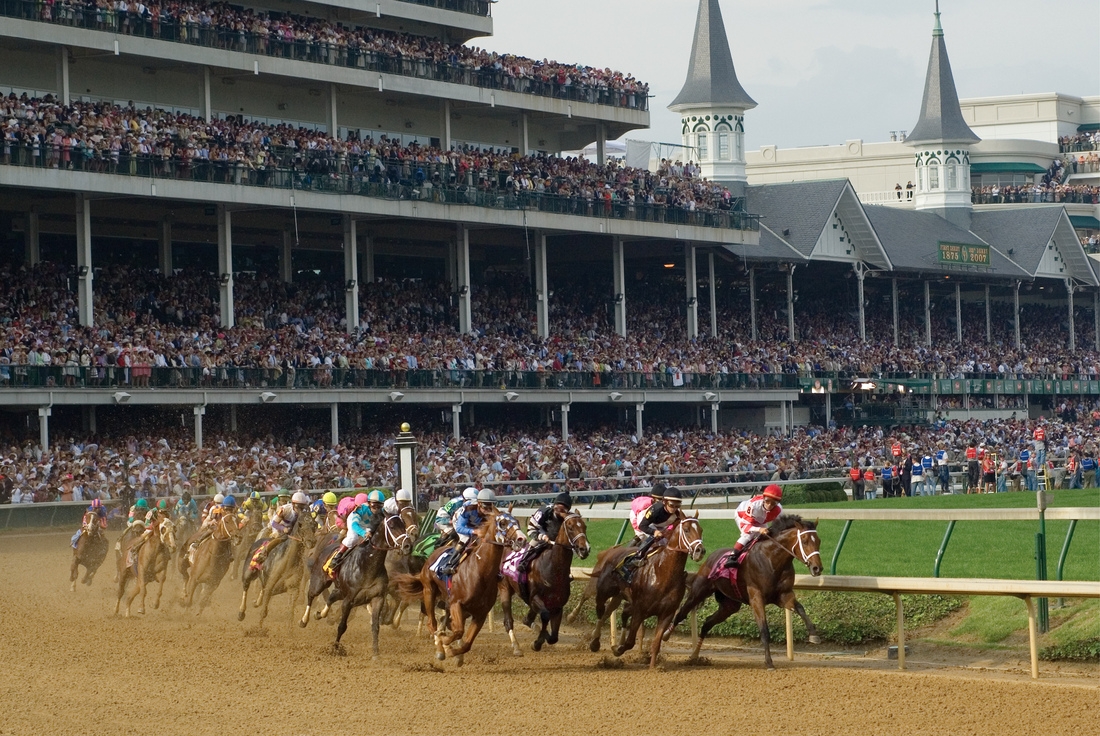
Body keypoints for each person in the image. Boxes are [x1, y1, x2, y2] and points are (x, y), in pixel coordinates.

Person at [622, 487, 686, 577]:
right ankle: (633, 561)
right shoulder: (656, 509)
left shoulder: (677, 514)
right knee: (651, 539)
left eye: (677, 506)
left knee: (665, 543)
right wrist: (654, 532)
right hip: (643, 520)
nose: (674, 509)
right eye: (672, 505)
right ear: (664, 502)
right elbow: (642, 526)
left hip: (658, 523)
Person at [323, 489, 385, 579]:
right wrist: (363, 533)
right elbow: (354, 525)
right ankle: (335, 558)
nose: (376, 509)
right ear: (368, 503)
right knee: (353, 538)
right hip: (354, 521)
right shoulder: (360, 510)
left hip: (365, 524)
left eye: (379, 506)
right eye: (374, 505)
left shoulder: (381, 511)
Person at [439, 489, 498, 576]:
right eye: (485, 508)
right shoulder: (469, 508)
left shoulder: (491, 511)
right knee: (465, 538)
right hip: (460, 522)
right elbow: (459, 528)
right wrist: (474, 531)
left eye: (490, 508)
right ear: (479, 504)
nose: (488, 511)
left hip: (476, 523)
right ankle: (449, 564)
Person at [725, 484, 783, 568]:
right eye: (767, 501)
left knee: (767, 535)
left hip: (759, 519)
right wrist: (759, 529)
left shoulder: (779, 510)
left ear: (777, 503)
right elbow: (745, 526)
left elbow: (778, 527)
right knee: (748, 535)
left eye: (773, 503)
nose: (769, 505)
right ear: (763, 498)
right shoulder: (754, 505)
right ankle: (732, 557)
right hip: (743, 515)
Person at [249, 491, 310, 571]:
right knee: (278, 537)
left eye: (302, 507)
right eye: (298, 506)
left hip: (292, 530)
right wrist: (282, 528)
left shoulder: (305, 512)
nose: (300, 509)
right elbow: (274, 523)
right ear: (293, 504)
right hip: (278, 527)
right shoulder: (284, 509)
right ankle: (263, 554)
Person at [516, 492, 572, 574]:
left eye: (563, 510)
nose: (560, 512)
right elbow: (531, 530)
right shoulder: (543, 511)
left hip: (556, 535)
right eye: (557, 508)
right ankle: (524, 562)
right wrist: (542, 536)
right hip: (540, 530)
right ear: (554, 506)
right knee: (534, 543)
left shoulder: (568, 517)